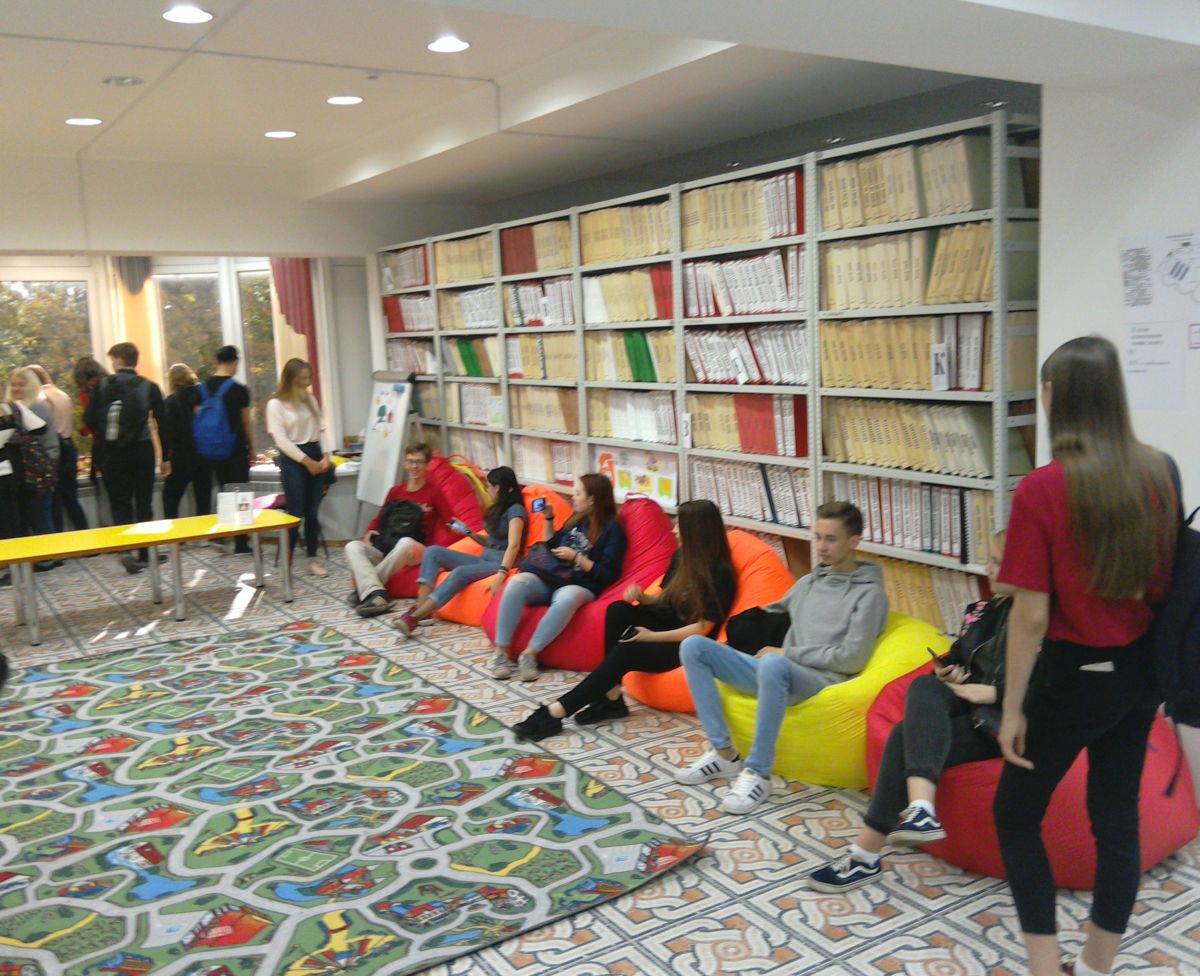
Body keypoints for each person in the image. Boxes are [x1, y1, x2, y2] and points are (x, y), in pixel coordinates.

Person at [991, 336, 1177, 976]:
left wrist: (1012, 708)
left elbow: (1031, 616)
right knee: (1116, 819)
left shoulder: (1042, 488)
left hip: (1074, 678)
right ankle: (1097, 966)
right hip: (1141, 676)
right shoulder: (1160, 470)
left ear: (1055, 396)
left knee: (1015, 816)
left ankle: (1046, 968)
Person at [807, 531, 1013, 892]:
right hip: (969, 710)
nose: (988, 568)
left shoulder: (1046, 623)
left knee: (905, 735)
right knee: (924, 686)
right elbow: (960, 655)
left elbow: (1055, 693)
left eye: (997, 562)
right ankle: (918, 812)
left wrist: (993, 693)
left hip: (1003, 726)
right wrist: (949, 670)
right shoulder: (988, 610)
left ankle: (869, 852)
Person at [672, 501, 888, 815]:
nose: (821, 547)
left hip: (819, 680)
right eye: (817, 537)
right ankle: (724, 753)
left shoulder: (870, 595)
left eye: (831, 539)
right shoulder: (809, 582)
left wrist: (788, 653)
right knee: (694, 647)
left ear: (854, 541)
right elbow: (771, 614)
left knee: (773, 663)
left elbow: (851, 659)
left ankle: (758, 773)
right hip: (776, 671)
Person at [512, 498, 737, 742]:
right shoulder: (682, 556)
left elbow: (702, 628)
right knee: (618, 609)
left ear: (696, 531)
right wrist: (644, 598)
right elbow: (667, 595)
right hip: (668, 621)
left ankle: (556, 712)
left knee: (626, 650)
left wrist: (651, 637)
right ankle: (612, 697)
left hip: (687, 643)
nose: (673, 530)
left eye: (679, 526)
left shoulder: (721, 573)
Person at [490, 473, 626, 682]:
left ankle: (530, 654)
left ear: (592, 499)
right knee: (516, 583)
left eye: (578, 493)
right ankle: (501, 653)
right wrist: (549, 518)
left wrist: (577, 558)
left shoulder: (612, 529)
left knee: (566, 597)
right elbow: (551, 544)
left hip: (582, 584)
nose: (573, 497)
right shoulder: (577, 519)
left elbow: (608, 573)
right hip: (554, 576)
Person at [395, 466, 526, 635]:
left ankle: (414, 617)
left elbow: (513, 545)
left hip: (501, 562)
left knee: (460, 572)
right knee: (433, 552)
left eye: (489, 486)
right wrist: (467, 531)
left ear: (502, 488)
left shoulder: (516, 511)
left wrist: (502, 574)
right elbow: (491, 541)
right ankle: (422, 609)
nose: (487, 490)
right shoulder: (497, 508)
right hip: (485, 557)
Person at [343, 441, 455, 615]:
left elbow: (450, 519)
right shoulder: (395, 491)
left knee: (405, 543)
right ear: (405, 464)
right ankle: (377, 593)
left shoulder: (434, 492)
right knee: (352, 546)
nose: (414, 466)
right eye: (410, 461)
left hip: (416, 549)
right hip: (388, 546)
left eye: (419, 462)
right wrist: (368, 534)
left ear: (427, 465)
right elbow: (379, 518)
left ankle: (364, 590)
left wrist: (463, 530)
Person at [83, 342, 165, 572]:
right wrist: (166, 456)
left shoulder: (101, 386)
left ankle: (126, 550)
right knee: (143, 502)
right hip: (142, 449)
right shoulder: (149, 386)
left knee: (120, 502)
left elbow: (88, 420)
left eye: (112, 359)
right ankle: (146, 552)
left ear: (118, 360)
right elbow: (163, 422)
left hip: (113, 453)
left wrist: (107, 435)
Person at [265, 358, 333, 577]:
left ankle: (312, 560)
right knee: (295, 513)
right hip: (293, 458)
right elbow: (281, 440)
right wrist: (306, 461)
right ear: (290, 379)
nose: (307, 383)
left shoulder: (310, 399)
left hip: (314, 452)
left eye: (309, 378)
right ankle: (287, 563)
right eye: (302, 379)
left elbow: (321, 430)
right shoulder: (275, 404)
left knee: (312, 512)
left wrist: (326, 456)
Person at [5, 369, 61, 564]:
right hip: (27, 471)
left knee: (40, 516)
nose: (16, 388)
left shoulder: (35, 407)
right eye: (13, 384)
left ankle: (47, 559)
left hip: (38, 471)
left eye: (21, 385)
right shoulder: (16, 408)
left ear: (31, 386)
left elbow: (46, 442)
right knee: (35, 515)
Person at [204, 345, 255, 553]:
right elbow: (245, 422)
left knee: (223, 491)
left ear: (217, 362)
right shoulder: (239, 390)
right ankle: (241, 541)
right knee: (240, 492)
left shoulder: (203, 388)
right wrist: (252, 447)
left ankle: (223, 535)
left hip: (212, 449)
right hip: (235, 448)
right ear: (235, 362)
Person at [29, 364, 87, 532]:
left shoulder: (40, 399)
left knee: (54, 501)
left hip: (54, 449)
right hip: (69, 446)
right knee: (71, 498)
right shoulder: (63, 395)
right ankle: (85, 531)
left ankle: (58, 538)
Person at [160, 363, 212, 520]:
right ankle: (205, 531)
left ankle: (175, 532)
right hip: (204, 454)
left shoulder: (171, 402)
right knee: (203, 498)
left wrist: (166, 457)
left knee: (170, 497)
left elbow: (167, 432)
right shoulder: (205, 396)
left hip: (181, 455)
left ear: (172, 380)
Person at [73, 356, 108, 524]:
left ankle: (105, 524)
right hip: (120, 444)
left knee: (102, 487)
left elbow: (90, 421)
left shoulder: (87, 393)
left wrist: (82, 430)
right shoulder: (110, 386)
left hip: (101, 445)